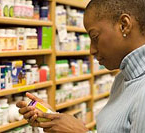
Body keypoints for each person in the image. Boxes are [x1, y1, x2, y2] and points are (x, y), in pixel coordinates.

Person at [17, 0, 145, 132]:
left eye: (95, 37)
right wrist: (54, 119)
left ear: (124, 25)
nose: (91, 50)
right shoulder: (122, 79)